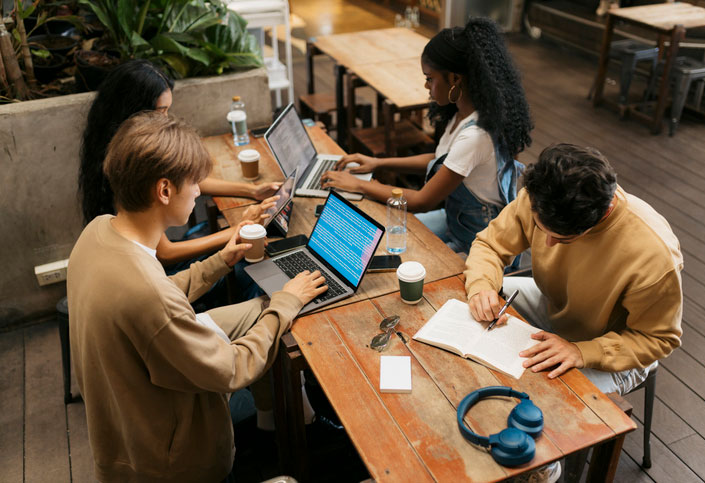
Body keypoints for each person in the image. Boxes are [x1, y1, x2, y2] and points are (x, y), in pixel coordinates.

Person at [68, 111, 328, 481]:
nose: (198, 191)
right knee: (279, 309)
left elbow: (157, 299)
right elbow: (233, 368)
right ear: (164, 190)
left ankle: (275, 425)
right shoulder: (147, 294)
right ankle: (295, 440)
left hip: (126, 421)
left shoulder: (98, 233)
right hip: (172, 462)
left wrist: (220, 261)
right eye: (195, 182)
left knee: (263, 307)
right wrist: (288, 301)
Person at [465, 143, 683, 396]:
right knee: (469, 302)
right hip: (554, 305)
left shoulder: (653, 255)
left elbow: (658, 339)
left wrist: (582, 352)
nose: (547, 244)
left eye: (562, 240)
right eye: (540, 229)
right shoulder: (543, 194)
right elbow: (490, 244)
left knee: (541, 398)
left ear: (602, 215)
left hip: (615, 348)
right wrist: (481, 286)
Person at [321, 17, 533, 254]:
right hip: (456, 221)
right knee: (385, 238)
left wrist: (361, 185)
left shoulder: (476, 136)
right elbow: (441, 160)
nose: (426, 87)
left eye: (429, 79)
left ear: (455, 79)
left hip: (478, 241)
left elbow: (423, 201)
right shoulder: (463, 114)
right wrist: (377, 162)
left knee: (393, 250)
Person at [79, 59, 280, 266]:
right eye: (161, 111)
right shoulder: (129, 161)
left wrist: (251, 191)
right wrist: (240, 228)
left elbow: (185, 180)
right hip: (160, 268)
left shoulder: (123, 145)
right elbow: (165, 254)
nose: (166, 118)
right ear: (135, 110)